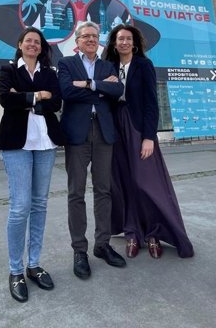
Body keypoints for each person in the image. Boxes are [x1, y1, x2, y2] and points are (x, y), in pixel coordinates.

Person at [103, 24, 194, 259]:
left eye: (127, 39)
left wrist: (148, 137)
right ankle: (133, 233)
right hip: (115, 128)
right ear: (114, 43)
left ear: (134, 43)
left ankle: (153, 233)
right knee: (123, 182)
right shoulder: (108, 67)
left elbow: (151, 104)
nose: (123, 42)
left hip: (136, 127)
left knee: (146, 182)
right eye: (119, 38)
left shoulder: (144, 65)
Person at [0, 27, 66, 303]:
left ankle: (34, 265)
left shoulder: (51, 73)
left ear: (42, 47)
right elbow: (5, 99)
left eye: (38, 42)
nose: (33, 45)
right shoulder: (8, 70)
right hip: (16, 145)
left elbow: (57, 101)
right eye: (29, 41)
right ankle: (15, 271)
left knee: (39, 204)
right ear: (20, 44)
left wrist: (26, 98)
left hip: (46, 144)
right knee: (20, 206)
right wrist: (40, 96)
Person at [58, 21, 125, 280]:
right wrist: (100, 88)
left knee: (103, 190)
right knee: (76, 193)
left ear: (99, 40)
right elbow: (66, 91)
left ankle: (102, 244)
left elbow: (117, 90)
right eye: (85, 36)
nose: (90, 40)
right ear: (77, 41)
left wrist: (87, 84)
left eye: (94, 36)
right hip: (77, 134)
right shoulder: (66, 63)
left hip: (104, 132)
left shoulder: (109, 65)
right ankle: (79, 251)